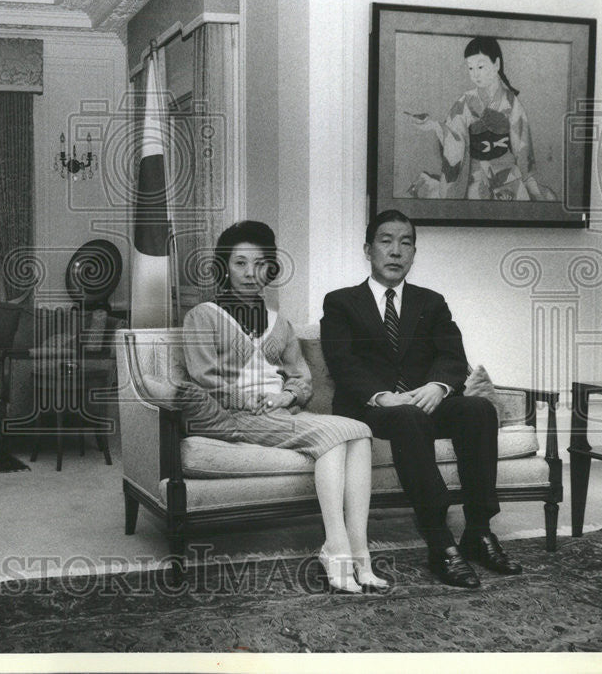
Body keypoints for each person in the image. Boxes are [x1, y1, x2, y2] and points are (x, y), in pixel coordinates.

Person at [143, 221, 382, 594]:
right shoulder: (202, 316)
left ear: (270, 269)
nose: (250, 274)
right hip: (235, 418)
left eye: (259, 264)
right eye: (239, 263)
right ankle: (337, 550)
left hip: (280, 414)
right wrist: (248, 399)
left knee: (360, 434)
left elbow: (301, 378)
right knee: (346, 431)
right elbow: (204, 379)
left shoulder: (279, 322)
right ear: (223, 267)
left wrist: (287, 396)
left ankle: (357, 552)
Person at [320, 209, 522, 588]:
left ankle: (478, 531)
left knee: (478, 409)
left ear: (413, 253)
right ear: (368, 249)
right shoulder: (341, 302)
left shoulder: (431, 302)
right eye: (386, 241)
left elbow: (452, 356)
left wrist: (439, 387)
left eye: (406, 242)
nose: (396, 251)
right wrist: (382, 397)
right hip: (371, 410)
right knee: (408, 418)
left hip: (425, 402)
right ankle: (439, 539)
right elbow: (341, 362)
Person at [408, 36, 554, 201]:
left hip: (506, 172)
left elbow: (522, 147)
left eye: (480, 66)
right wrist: (434, 126)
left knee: (521, 201)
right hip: (474, 173)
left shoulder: (512, 103)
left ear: (496, 64)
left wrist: (528, 178)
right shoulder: (465, 102)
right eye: (470, 68)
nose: (475, 74)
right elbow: (455, 137)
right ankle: (427, 184)